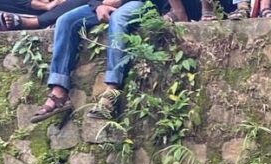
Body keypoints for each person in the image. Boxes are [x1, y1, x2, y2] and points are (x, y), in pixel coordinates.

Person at [30, 0, 196, 123]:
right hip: (107, 3)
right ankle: (59, 92)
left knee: (118, 18)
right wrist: (98, 6)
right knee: (65, 21)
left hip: (143, 3)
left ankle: (112, 91)